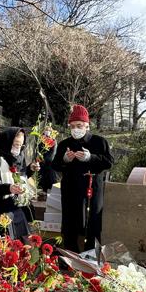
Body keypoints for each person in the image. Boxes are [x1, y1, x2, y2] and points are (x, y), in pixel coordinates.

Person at [51, 105, 113, 252]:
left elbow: (109, 163)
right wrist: (65, 160)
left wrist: (91, 157)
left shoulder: (100, 142)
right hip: (70, 189)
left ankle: (91, 256)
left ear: (87, 125)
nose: (75, 129)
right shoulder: (64, 144)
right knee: (70, 222)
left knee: (93, 223)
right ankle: (70, 254)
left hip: (92, 189)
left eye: (79, 125)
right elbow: (55, 165)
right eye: (72, 126)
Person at [38, 125, 60, 193]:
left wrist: (43, 159)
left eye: (48, 132)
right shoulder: (41, 143)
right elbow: (39, 152)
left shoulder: (53, 142)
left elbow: (51, 155)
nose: (46, 135)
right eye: (45, 133)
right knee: (42, 181)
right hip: (42, 165)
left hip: (50, 164)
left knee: (52, 180)